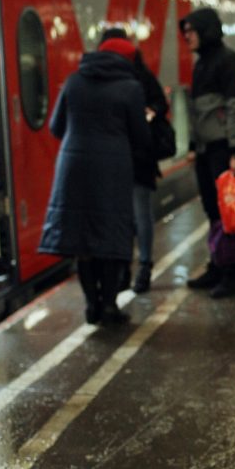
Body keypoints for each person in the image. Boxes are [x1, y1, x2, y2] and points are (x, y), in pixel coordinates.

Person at [39, 37, 151, 324]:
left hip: (73, 167)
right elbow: (140, 137)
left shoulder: (74, 81)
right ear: (127, 60)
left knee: (82, 239)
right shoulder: (130, 88)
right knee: (111, 235)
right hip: (113, 169)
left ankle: (91, 306)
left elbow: (55, 126)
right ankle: (110, 305)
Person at [181, 7, 235, 298]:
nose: (187, 39)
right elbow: (197, 113)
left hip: (223, 150)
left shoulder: (230, 62)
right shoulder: (201, 64)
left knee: (228, 213)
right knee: (212, 212)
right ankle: (217, 265)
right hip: (206, 150)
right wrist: (194, 146)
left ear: (206, 31)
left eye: (191, 33)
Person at [98, 28, 171, 295]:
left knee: (140, 215)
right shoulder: (108, 77)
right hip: (117, 157)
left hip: (139, 156)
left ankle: (143, 268)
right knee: (125, 217)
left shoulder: (138, 76)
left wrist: (148, 113)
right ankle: (126, 269)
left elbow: (160, 104)